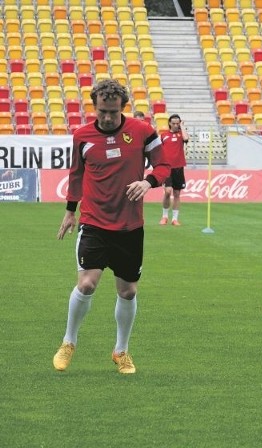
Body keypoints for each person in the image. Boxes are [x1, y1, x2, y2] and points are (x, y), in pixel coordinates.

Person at [53, 79, 170, 374]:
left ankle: (121, 351)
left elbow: (164, 166)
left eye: (113, 112)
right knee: (86, 284)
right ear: (95, 106)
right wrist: (70, 211)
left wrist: (148, 181)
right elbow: (76, 175)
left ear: (123, 108)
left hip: (130, 227)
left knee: (128, 291)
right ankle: (69, 342)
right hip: (93, 222)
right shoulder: (82, 136)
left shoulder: (143, 133)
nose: (107, 117)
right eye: (102, 111)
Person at [159, 114, 189, 226]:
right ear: (169, 123)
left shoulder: (182, 134)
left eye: (178, 123)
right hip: (167, 168)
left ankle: (174, 219)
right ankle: (164, 216)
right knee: (167, 192)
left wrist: (182, 126)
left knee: (177, 193)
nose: (176, 125)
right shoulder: (163, 136)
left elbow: (186, 139)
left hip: (179, 168)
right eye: (174, 123)